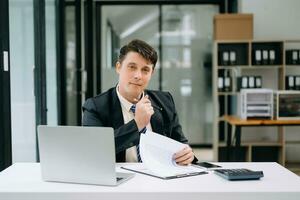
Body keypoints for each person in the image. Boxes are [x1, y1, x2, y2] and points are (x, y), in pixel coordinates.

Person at [82, 39, 197, 165]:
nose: (138, 76)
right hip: (119, 181)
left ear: (152, 73)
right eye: (132, 67)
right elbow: (95, 150)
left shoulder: (165, 101)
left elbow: (180, 143)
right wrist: (137, 124)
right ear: (118, 67)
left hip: (160, 179)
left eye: (145, 70)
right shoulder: (95, 107)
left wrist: (187, 154)